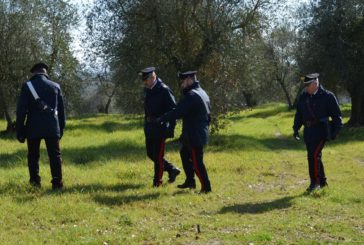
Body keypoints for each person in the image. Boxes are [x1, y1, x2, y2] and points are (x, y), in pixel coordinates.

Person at [159, 71, 212, 193]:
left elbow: (177, 112)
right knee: (184, 153)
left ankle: (206, 187)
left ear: (189, 80)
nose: (181, 85)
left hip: (195, 134)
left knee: (197, 162)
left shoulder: (192, 96)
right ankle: (190, 181)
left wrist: (161, 119)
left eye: (183, 82)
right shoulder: (201, 92)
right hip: (196, 131)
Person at [16, 62, 66, 189]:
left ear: (33, 73)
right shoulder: (56, 86)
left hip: (33, 127)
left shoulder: (27, 86)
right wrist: (60, 129)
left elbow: (21, 111)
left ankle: (35, 183)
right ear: (46, 73)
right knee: (55, 155)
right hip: (52, 127)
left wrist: (20, 130)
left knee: (33, 156)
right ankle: (57, 183)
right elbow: (61, 112)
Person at [293, 73, 342, 192]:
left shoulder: (328, 96)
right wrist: (296, 129)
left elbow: (337, 116)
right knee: (315, 157)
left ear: (315, 83)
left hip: (321, 131)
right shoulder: (303, 96)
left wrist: (335, 131)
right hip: (308, 132)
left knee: (313, 156)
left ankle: (315, 183)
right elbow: (299, 114)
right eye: (305, 85)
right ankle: (323, 182)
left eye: (308, 85)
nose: (305, 88)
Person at [140, 67, 180, 187]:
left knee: (157, 156)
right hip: (149, 126)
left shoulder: (164, 90)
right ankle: (172, 169)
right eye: (144, 80)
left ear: (153, 77)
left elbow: (173, 110)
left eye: (146, 80)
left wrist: (171, 128)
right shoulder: (147, 90)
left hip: (160, 127)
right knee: (150, 154)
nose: (144, 82)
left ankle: (157, 182)